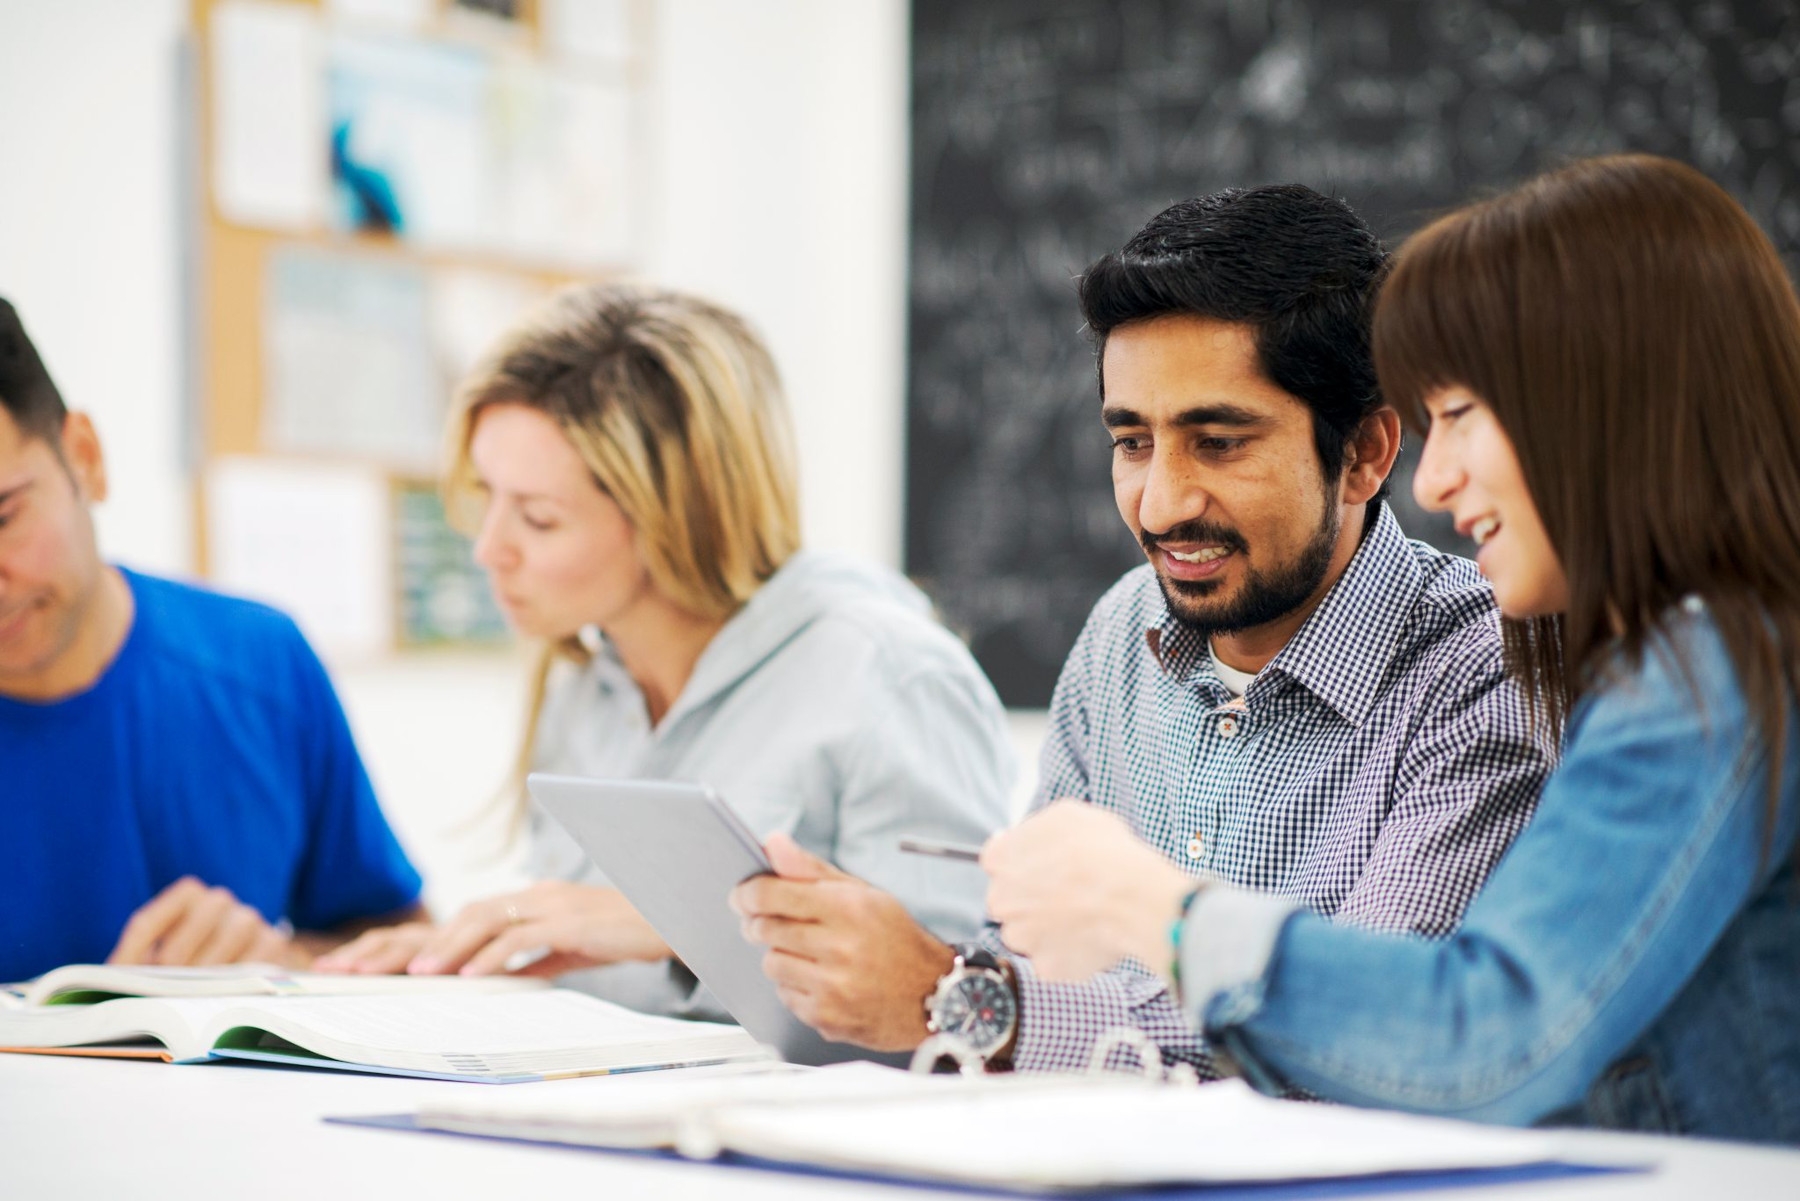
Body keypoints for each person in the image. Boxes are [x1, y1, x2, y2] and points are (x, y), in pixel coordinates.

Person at [983, 154, 1800, 1144]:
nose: (1434, 483)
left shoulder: (1703, 669)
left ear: (1606, 404)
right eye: (1132, 441)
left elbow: (1483, 1040)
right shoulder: (1706, 654)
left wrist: (1157, 910)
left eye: (1458, 415)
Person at [731, 185, 1552, 1070]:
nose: (1161, 504)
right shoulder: (1124, 630)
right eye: (1132, 442)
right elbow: (1027, 947)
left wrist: (960, 1000)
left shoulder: (1487, 670)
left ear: (1363, 454)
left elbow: (1361, 1044)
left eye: (1219, 442)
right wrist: (903, 973)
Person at [316, 283, 1013, 1018]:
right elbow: (592, 973)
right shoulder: (586, 686)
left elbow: (960, 1015)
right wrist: (452, 966)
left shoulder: (888, 675)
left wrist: (675, 925)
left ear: (672, 517)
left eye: (539, 518)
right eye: (486, 496)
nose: (488, 548)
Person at [0, 298, 423, 982]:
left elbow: (405, 942)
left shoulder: (260, 663)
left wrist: (288, 962)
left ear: (84, 458)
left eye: (3, 516)